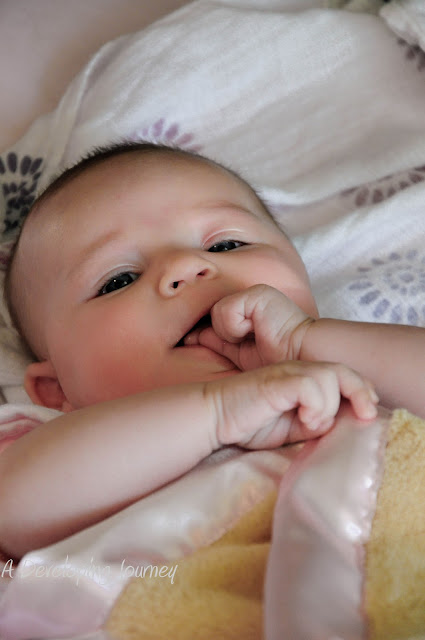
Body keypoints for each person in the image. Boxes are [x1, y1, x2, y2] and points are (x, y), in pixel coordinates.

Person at [1, 141, 423, 562]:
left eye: (226, 245)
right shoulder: (58, 450)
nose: (185, 265)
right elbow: (12, 513)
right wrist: (217, 414)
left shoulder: (359, 374)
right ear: (58, 390)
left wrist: (304, 339)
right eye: (119, 280)